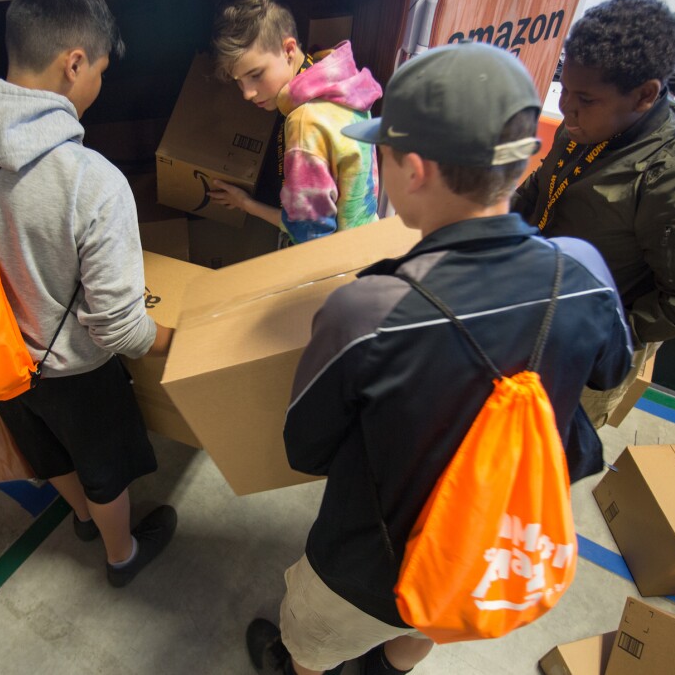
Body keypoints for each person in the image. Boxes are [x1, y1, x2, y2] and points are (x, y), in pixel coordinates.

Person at [245, 42, 633, 675]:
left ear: (415, 171)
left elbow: (306, 450)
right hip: (486, 557)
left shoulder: (367, 312)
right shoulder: (584, 271)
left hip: (369, 569)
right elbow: (609, 371)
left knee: (312, 646)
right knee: (428, 626)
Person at [0, 0, 176, 588]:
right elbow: (118, 329)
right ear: (74, 63)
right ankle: (122, 556)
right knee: (105, 468)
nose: (98, 87)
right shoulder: (92, 181)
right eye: (100, 72)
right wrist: (177, 340)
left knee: (48, 450)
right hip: (74, 372)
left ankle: (82, 519)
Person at [512, 0, 675, 429]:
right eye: (565, 89)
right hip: (544, 310)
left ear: (644, 95)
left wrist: (610, 334)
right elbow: (544, 187)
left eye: (585, 98)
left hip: (591, 345)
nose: (566, 108)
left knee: (555, 445)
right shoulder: (588, 125)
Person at [207, 0, 382, 244]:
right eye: (239, 81)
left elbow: (309, 235)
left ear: (289, 49)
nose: (247, 93)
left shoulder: (304, 123)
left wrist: (245, 204)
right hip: (368, 241)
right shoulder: (342, 85)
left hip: (338, 259)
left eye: (255, 74)